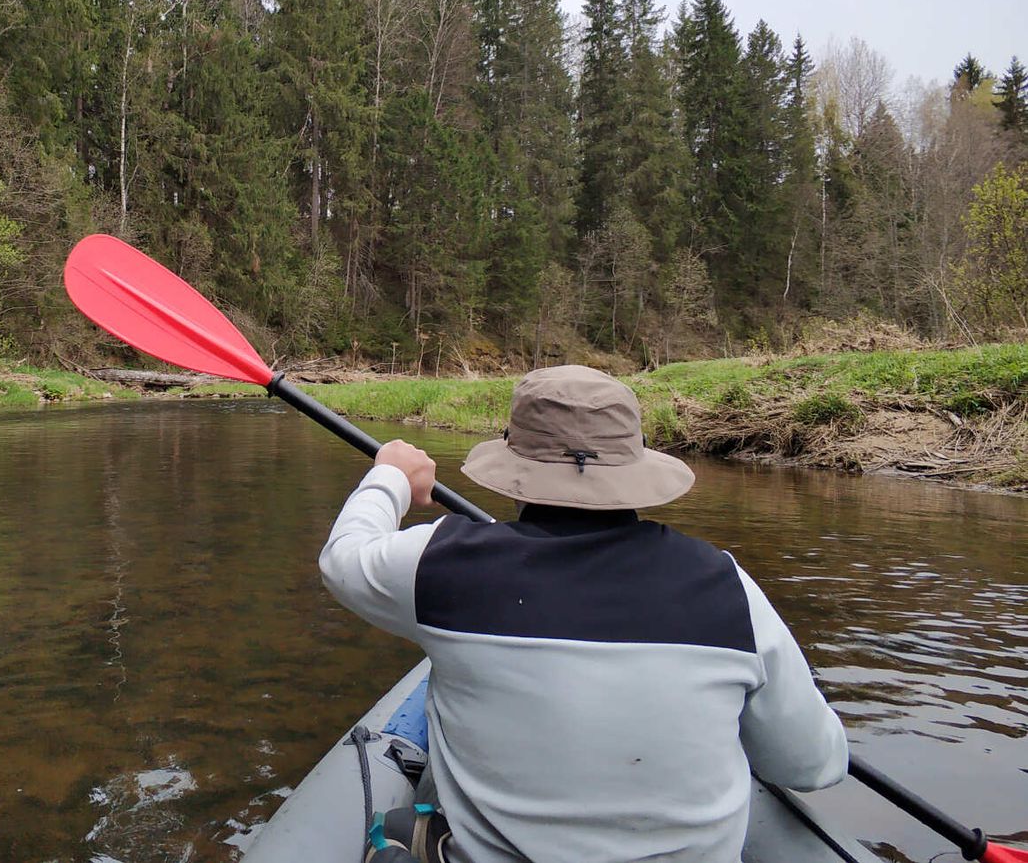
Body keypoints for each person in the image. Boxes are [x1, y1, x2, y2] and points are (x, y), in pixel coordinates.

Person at [319, 365, 849, 863]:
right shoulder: (729, 587)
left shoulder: (441, 564)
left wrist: (389, 476)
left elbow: (343, 558)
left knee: (395, 827)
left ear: (513, 459)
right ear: (634, 464)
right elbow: (812, 764)